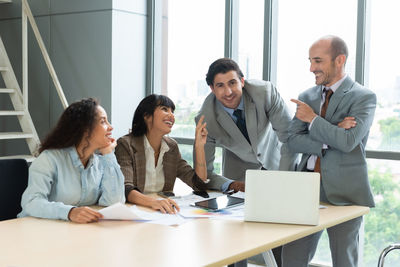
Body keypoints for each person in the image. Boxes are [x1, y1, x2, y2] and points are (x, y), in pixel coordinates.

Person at [282, 35, 376, 267]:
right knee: (291, 258)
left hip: (346, 194)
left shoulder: (363, 97)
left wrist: (312, 120)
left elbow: (348, 142)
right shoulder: (306, 97)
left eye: (317, 61)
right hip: (305, 191)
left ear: (339, 60)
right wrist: (332, 133)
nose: (311, 68)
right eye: (310, 61)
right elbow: (292, 139)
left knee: (345, 261)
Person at [196, 58, 297, 267]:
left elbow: (290, 138)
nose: (228, 92)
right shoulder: (206, 118)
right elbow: (205, 175)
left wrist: (285, 180)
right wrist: (231, 184)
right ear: (211, 89)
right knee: (236, 243)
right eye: (220, 86)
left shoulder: (264, 93)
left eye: (232, 82)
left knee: (280, 240)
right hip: (240, 177)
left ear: (242, 80)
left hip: (277, 166)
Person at [18, 98, 125, 223]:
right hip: (34, 229)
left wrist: (108, 154)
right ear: (85, 129)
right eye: (103, 122)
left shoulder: (100, 163)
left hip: (71, 231)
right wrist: (69, 212)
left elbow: (114, 202)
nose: (111, 127)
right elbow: (31, 202)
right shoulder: (49, 159)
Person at [115, 94, 208, 214]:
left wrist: (199, 146)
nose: (171, 115)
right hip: (134, 212)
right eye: (165, 109)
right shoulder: (126, 144)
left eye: (172, 111)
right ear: (147, 116)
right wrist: (154, 202)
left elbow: (199, 184)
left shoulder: (171, 147)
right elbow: (125, 188)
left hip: (163, 213)